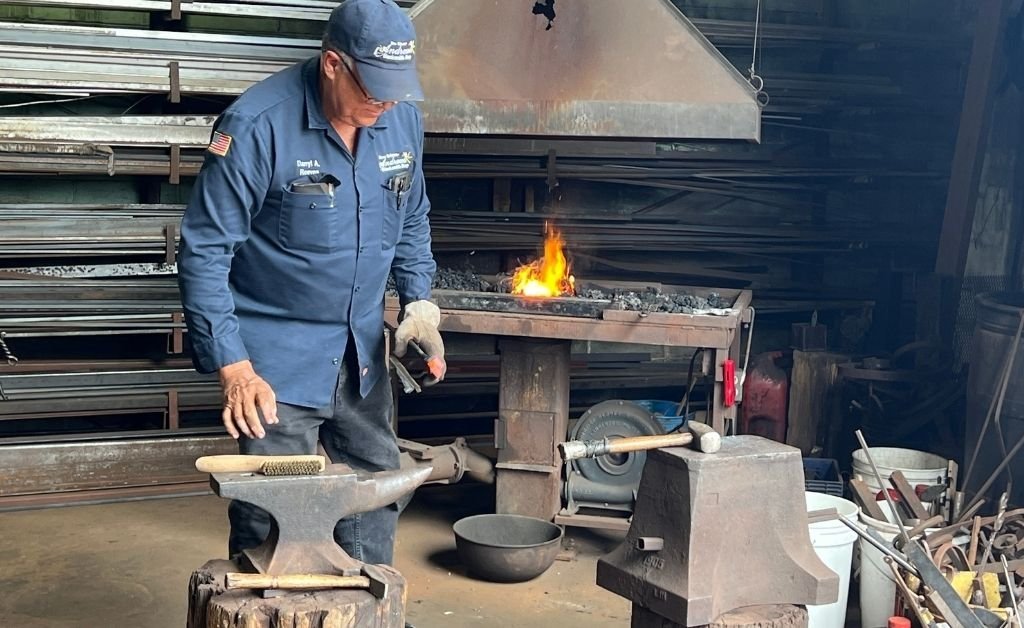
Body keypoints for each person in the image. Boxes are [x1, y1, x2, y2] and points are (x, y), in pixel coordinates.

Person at [177, 0, 445, 568]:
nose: (385, 104)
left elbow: (412, 215)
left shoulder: (400, 118)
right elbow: (203, 252)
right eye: (373, 90)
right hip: (275, 366)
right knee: (273, 514)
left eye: (396, 90)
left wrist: (419, 301)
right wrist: (235, 369)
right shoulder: (256, 126)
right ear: (331, 64)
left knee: (376, 497)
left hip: (362, 357)